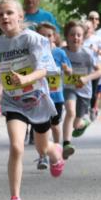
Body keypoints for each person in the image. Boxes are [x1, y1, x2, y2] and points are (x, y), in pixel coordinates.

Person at [0, 0, 64, 200]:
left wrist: (26, 79)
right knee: (16, 147)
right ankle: (15, 199)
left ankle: (54, 151)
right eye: (0, 15)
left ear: (20, 16)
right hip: (13, 102)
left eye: (9, 13)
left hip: (37, 100)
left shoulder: (34, 39)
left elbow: (46, 70)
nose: (5, 17)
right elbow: (4, 73)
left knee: (42, 149)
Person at [60, 20, 101, 159]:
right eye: (72, 35)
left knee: (77, 123)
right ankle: (66, 144)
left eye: (79, 35)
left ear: (83, 38)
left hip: (84, 91)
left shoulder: (88, 54)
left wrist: (86, 78)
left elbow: (100, 71)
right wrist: (63, 69)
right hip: (68, 88)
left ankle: (85, 122)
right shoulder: (61, 53)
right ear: (67, 36)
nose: (76, 37)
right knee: (70, 112)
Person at [37, 23, 69, 165]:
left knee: (55, 126)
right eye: (42, 35)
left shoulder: (60, 53)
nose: (46, 38)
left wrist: (66, 69)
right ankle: (42, 155)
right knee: (41, 127)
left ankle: (57, 150)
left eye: (49, 35)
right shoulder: (35, 52)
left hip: (56, 95)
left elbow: (70, 71)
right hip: (40, 96)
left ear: (54, 37)